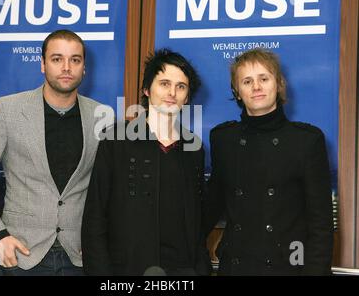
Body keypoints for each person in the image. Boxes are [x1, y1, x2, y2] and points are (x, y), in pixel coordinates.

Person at [0, 29, 104, 276]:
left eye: (75, 60)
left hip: (80, 260)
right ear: (42, 64)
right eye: (57, 59)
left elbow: (109, 189)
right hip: (21, 256)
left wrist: (99, 240)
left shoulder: (102, 115)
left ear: (84, 68)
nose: (67, 67)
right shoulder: (8, 110)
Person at [81, 49, 211, 276]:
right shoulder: (115, 140)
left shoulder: (194, 148)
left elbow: (197, 220)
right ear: (146, 90)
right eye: (164, 84)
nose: (172, 92)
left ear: (187, 96)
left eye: (181, 86)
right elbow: (95, 217)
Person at [205, 48, 334, 276]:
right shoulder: (223, 139)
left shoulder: (306, 141)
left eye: (263, 78)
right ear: (237, 92)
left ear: (278, 84)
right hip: (235, 268)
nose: (256, 87)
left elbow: (321, 225)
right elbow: (211, 207)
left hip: (287, 268)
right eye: (247, 81)